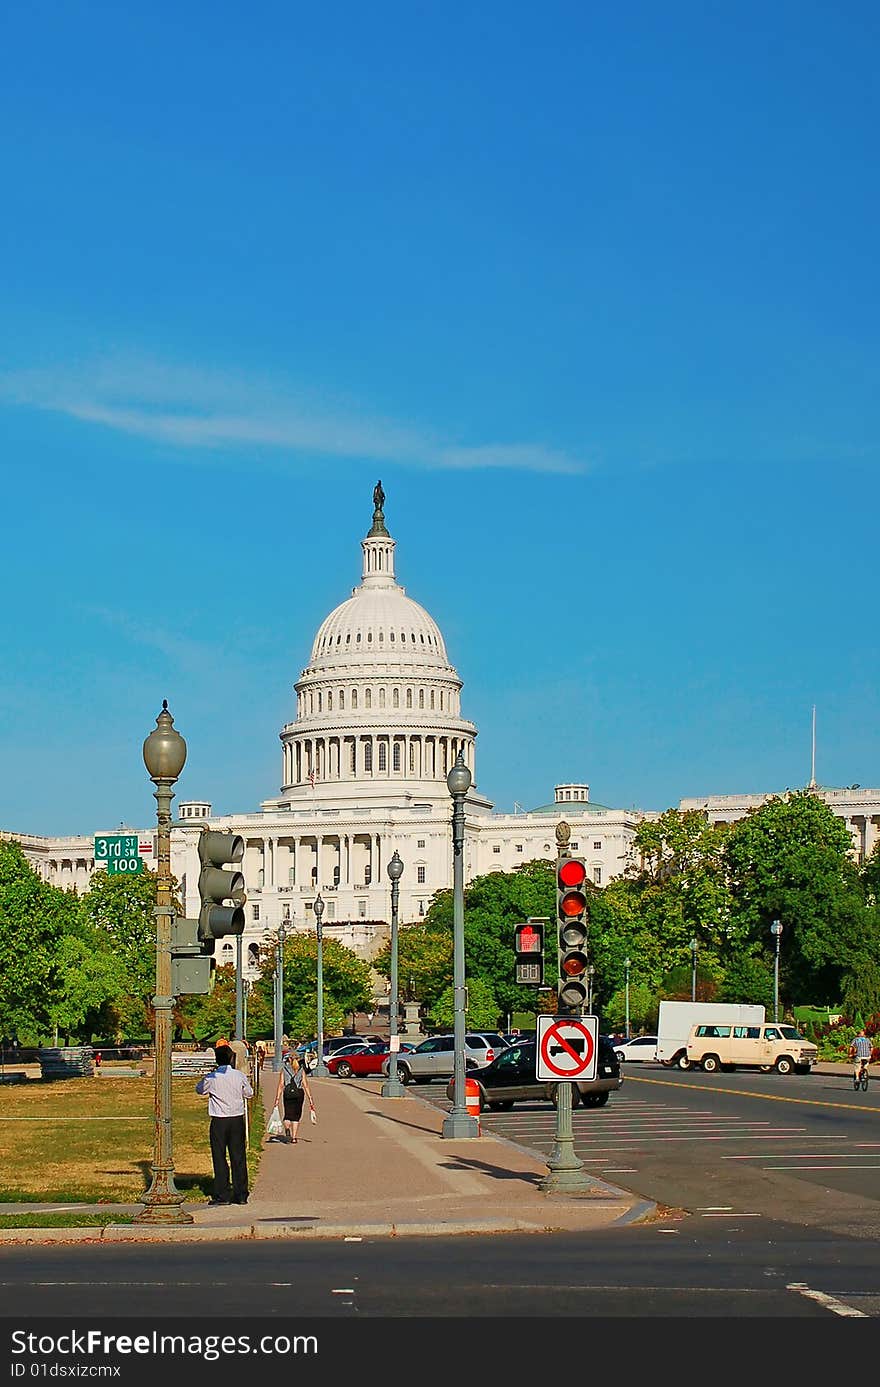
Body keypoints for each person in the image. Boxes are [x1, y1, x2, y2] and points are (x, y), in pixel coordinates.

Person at [196, 1043, 254, 1205]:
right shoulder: (238, 1076)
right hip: (236, 1118)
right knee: (238, 1156)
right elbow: (249, 1093)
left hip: (219, 1119)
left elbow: (200, 1090)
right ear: (231, 1059)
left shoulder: (212, 1077)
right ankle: (241, 1194)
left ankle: (222, 1193)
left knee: (219, 1157)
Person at [274, 1043, 315, 1144]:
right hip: (299, 1094)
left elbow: (281, 1084)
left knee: (288, 1113)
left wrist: (277, 1099)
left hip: (287, 1093)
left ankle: (287, 1128)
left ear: (289, 1059)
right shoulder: (301, 1070)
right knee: (296, 1116)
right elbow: (305, 1085)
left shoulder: (284, 1070)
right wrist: (310, 1098)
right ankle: (294, 1137)